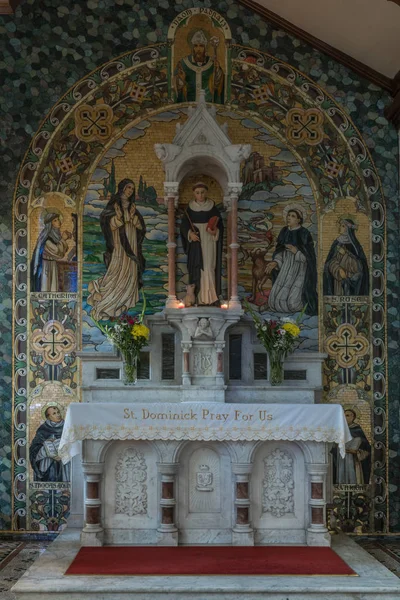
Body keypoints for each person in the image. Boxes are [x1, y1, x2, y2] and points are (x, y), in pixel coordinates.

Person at [87, 178, 146, 320]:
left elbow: (141, 227)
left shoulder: (132, 207)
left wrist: (132, 218)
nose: (130, 190)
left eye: (132, 188)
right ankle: (107, 301)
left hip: (131, 240)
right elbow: (106, 222)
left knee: (131, 268)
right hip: (119, 242)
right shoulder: (114, 205)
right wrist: (119, 218)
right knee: (117, 269)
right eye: (128, 187)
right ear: (122, 188)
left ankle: (124, 302)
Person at [265, 207, 318, 315]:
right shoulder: (284, 231)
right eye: (288, 215)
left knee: (292, 304)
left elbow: (310, 257)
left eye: (293, 216)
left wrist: (296, 251)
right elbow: (280, 251)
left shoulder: (304, 233)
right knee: (274, 302)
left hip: (300, 269)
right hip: (285, 267)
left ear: (299, 220)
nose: (289, 218)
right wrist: (276, 262)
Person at [180, 182, 223, 306]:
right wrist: (190, 234)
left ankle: (211, 297)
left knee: (209, 267)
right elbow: (183, 226)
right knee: (198, 268)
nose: (200, 195)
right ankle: (198, 298)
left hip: (209, 240)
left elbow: (220, 226)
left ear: (206, 193)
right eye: (197, 192)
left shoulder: (212, 207)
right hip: (196, 242)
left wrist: (214, 231)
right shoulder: (190, 208)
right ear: (194, 193)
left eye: (202, 192)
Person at [174, 29, 224, 103]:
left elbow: (217, 84)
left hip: (208, 103)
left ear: (205, 47)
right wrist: (181, 80)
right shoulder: (183, 63)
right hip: (188, 104)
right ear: (193, 48)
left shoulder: (212, 63)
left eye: (201, 46)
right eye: (196, 46)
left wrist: (217, 70)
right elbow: (177, 85)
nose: (198, 49)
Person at [323, 217, 369, 296]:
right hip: (338, 280)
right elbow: (330, 262)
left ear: (348, 229)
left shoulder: (355, 246)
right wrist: (338, 269)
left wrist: (345, 254)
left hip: (352, 282)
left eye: (343, 226)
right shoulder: (337, 243)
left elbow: (360, 267)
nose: (340, 227)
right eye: (340, 225)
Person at [30, 210, 72, 292]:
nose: (59, 222)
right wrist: (63, 239)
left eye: (58, 219)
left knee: (53, 289)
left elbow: (61, 252)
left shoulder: (56, 236)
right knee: (45, 288)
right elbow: (58, 253)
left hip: (52, 264)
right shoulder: (47, 239)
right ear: (50, 224)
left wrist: (63, 240)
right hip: (45, 266)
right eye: (55, 220)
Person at [29, 405, 70, 482]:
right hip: (47, 464)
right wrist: (45, 448)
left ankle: (65, 489)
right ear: (48, 417)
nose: (58, 415)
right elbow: (34, 448)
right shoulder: (43, 429)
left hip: (64, 462)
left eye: (58, 412)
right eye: (54, 413)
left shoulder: (67, 427)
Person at [332, 409, 371, 485]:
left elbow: (365, 446)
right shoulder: (340, 429)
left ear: (353, 417)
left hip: (354, 459)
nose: (345, 417)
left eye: (347, 415)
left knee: (352, 474)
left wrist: (357, 451)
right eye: (343, 415)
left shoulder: (357, 429)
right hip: (341, 457)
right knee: (341, 474)